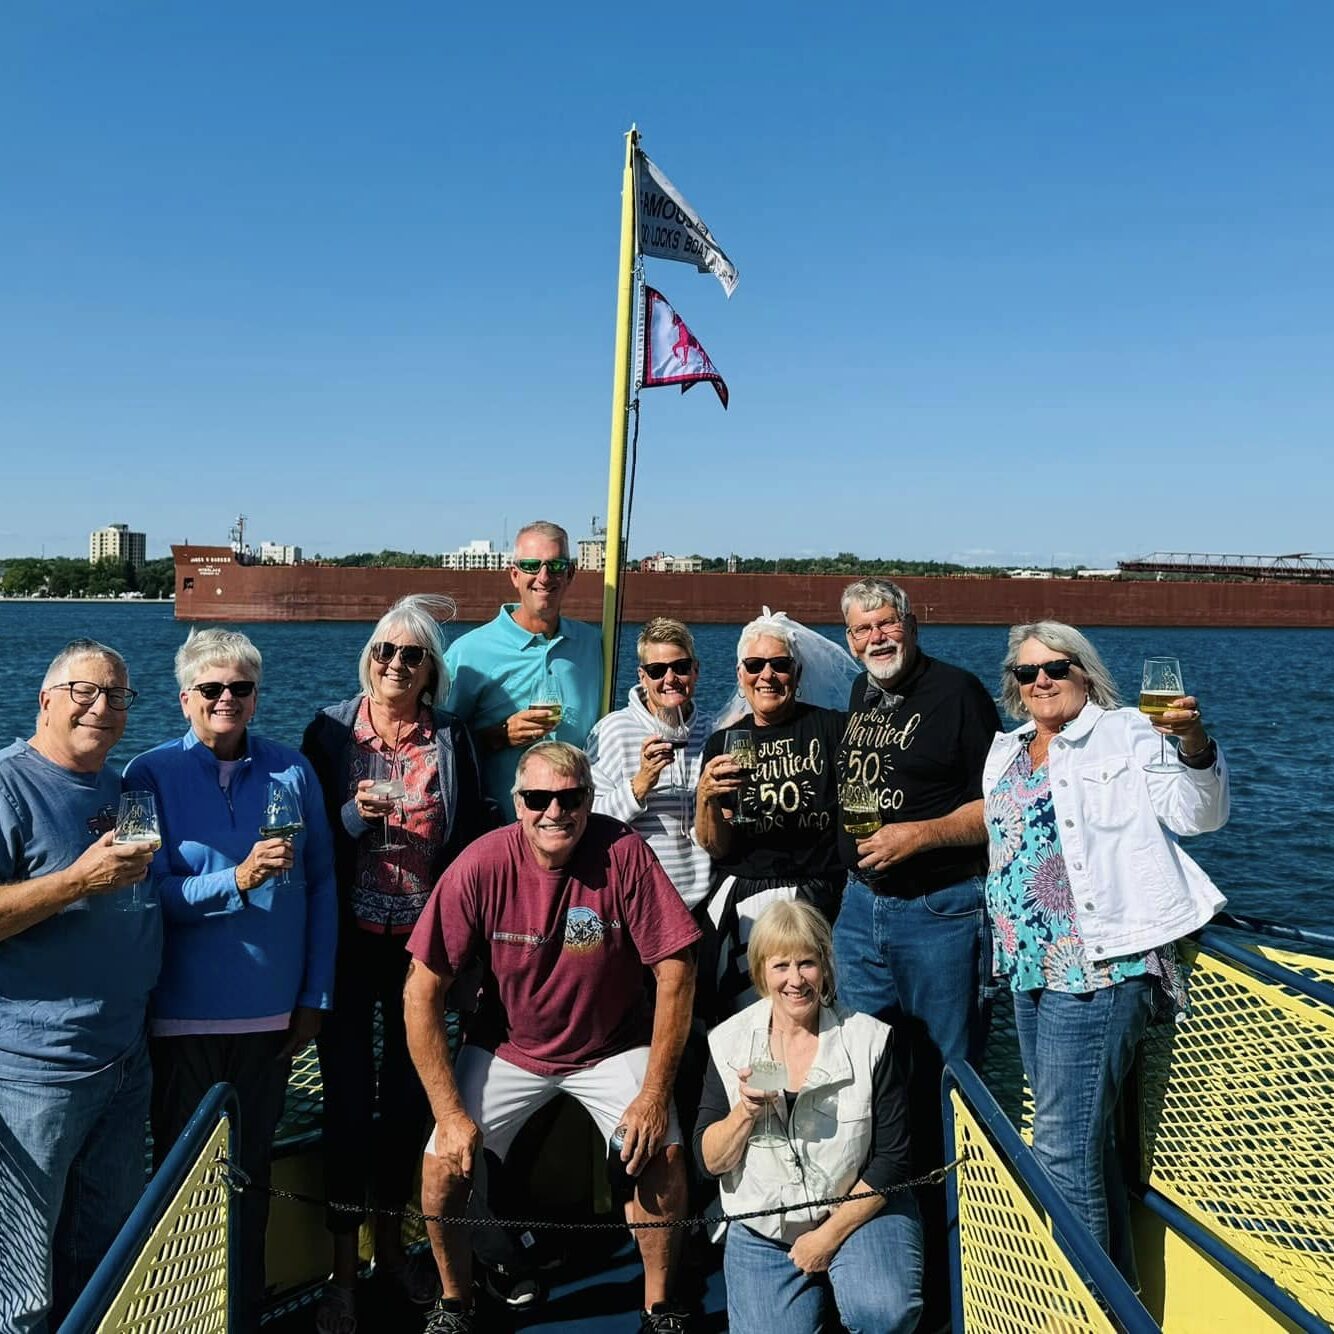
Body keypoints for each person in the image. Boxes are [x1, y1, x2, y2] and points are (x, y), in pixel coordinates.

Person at [403, 742, 701, 1334]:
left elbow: (678, 970)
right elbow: (420, 990)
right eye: (538, 798)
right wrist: (449, 1113)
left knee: (661, 1149)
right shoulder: (482, 863)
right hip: (508, 1047)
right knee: (441, 1164)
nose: (554, 812)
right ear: (518, 803)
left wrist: (652, 1095)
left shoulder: (624, 853)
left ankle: (660, 1307)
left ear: (590, 800)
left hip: (612, 1044)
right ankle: (455, 1301)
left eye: (570, 798)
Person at [983, 622, 1227, 1281]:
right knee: (1080, 1148)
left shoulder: (1127, 732)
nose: (1040, 681)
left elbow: (1197, 815)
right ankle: (1122, 1297)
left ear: (1085, 673)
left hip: (1100, 967)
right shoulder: (1006, 751)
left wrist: (1194, 744)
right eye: (1026, 673)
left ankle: (1088, 1306)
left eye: (1055, 668)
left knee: (1061, 1149)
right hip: (1029, 969)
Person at [124, 628, 337, 1330]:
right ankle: (177, 1314)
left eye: (240, 688)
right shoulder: (147, 775)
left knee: (252, 1175)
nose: (227, 699)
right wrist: (236, 880)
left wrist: (315, 996)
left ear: (256, 696)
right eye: (211, 688)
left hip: (270, 1016)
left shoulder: (291, 771)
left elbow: (322, 885)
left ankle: (242, 1311)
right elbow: (146, 896)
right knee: (181, 1182)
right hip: (182, 1015)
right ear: (184, 697)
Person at [301, 596, 493, 1333]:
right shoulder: (328, 731)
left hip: (423, 950)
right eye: (385, 650)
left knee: (413, 1103)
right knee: (348, 1105)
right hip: (350, 945)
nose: (396, 665)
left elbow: (467, 840)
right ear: (369, 657)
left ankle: (392, 1253)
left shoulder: (451, 736)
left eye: (412, 655)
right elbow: (308, 835)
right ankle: (343, 1274)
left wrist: (469, 953)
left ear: (431, 669)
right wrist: (356, 817)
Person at [833, 578, 1000, 1328]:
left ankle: (956, 1263)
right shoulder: (862, 696)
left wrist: (920, 836)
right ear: (848, 640)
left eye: (885, 622)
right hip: (860, 912)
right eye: (861, 629)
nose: (876, 637)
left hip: (938, 912)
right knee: (861, 1078)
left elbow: (998, 806)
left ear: (910, 622)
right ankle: (878, 1246)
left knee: (947, 1083)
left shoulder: (958, 693)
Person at [0, 640, 160, 1333]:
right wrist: (75, 882)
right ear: (45, 700)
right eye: (84, 692)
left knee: (104, 1256)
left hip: (124, 1060)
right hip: (35, 1074)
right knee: (21, 1283)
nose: (102, 707)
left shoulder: (121, 789)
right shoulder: (9, 785)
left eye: (117, 695)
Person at [695, 900, 921, 1334]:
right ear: (761, 973)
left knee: (883, 1311)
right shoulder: (729, 1041)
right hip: (764, 1225)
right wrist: (745, 1112)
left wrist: (826, 1237)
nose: (795, 980)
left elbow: (894, 1160)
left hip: (860, 1210)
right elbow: (709, 1162)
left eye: (807, 963)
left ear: (825, 966)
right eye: (781, 966)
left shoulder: (870, 1039)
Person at [695, 612, 845, 1021]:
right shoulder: (723, 743)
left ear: (797, 673)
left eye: (780, 664)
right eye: (755, 665)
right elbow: (716, 846)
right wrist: (707, 798)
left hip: (814, 893)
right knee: (745, 1017)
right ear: (740, 675)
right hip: (745, 894)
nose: (767, 675)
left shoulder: (832, 728)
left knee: (807, 1013)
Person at [444, 521, 602, 815]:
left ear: (570, 574)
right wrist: (499, 736)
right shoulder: (469, 652)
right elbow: (436, 746)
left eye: (556, 566)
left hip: (574, 823)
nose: (544, 576)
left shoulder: (594, 645)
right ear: (515, 575)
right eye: (531, 565)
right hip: (500, 826)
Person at [585, 617, 712, 910]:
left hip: (702, 901)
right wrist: (639, 785)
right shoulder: (612, 731)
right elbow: (586, 820)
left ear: (695, 670)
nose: (670, 679)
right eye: (657, 670)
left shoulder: (712, 730)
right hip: (637, 901)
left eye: (680, 667)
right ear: (642, 677)